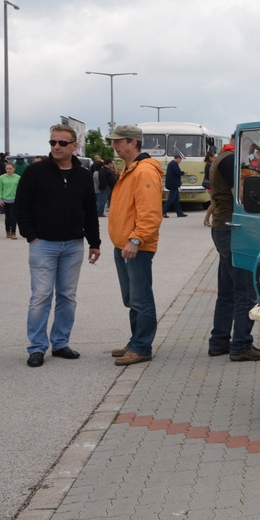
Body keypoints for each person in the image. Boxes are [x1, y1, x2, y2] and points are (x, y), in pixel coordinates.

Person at [13, 124, 102, 367]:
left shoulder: (83, 175)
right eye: (52, 142)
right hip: (43, 245)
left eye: (62, 143)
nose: (56, 147)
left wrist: (94, 242)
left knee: (67, 296)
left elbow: (90, 212)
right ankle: (37, 348)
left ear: (74, 146)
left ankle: (61, 343)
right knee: (41, 296)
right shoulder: (35, 172)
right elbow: (21, 206)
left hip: (73, 245)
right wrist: (31, 236)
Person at [206, 141, 260, 362]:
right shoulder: (232, 160)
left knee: (226, 292)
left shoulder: (220, 158)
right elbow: (240, 196)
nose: (251, 155)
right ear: (240, 144)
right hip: (234, 229)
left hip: (222, 227)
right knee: (245, 291)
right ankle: (242, 344)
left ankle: (219, 341)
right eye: (250, 150)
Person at [106, 125, 164, 366]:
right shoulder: (131, 169)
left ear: (133, 142)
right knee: (132, 298)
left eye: (118, 141)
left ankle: (141, 347)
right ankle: (136, 341)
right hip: (125, 245)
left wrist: (136, 239)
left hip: (136, 246)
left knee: (141, 298)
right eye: (113, 141)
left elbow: (150, 213)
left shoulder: (144, 172)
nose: (114, 146)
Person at [0, 162, 20, 240]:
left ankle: (13, 232)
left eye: (10, 169)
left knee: (13, 217)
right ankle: (7, 231)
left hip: (14, 200)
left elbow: (20, 189)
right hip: (5, 200)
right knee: (7, 217)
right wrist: (0, 199)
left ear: (14, 169)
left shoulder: (18, 177)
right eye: (7, 169)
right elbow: (0, 188)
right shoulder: (2, 177)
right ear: (5, 169)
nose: (9, 170)